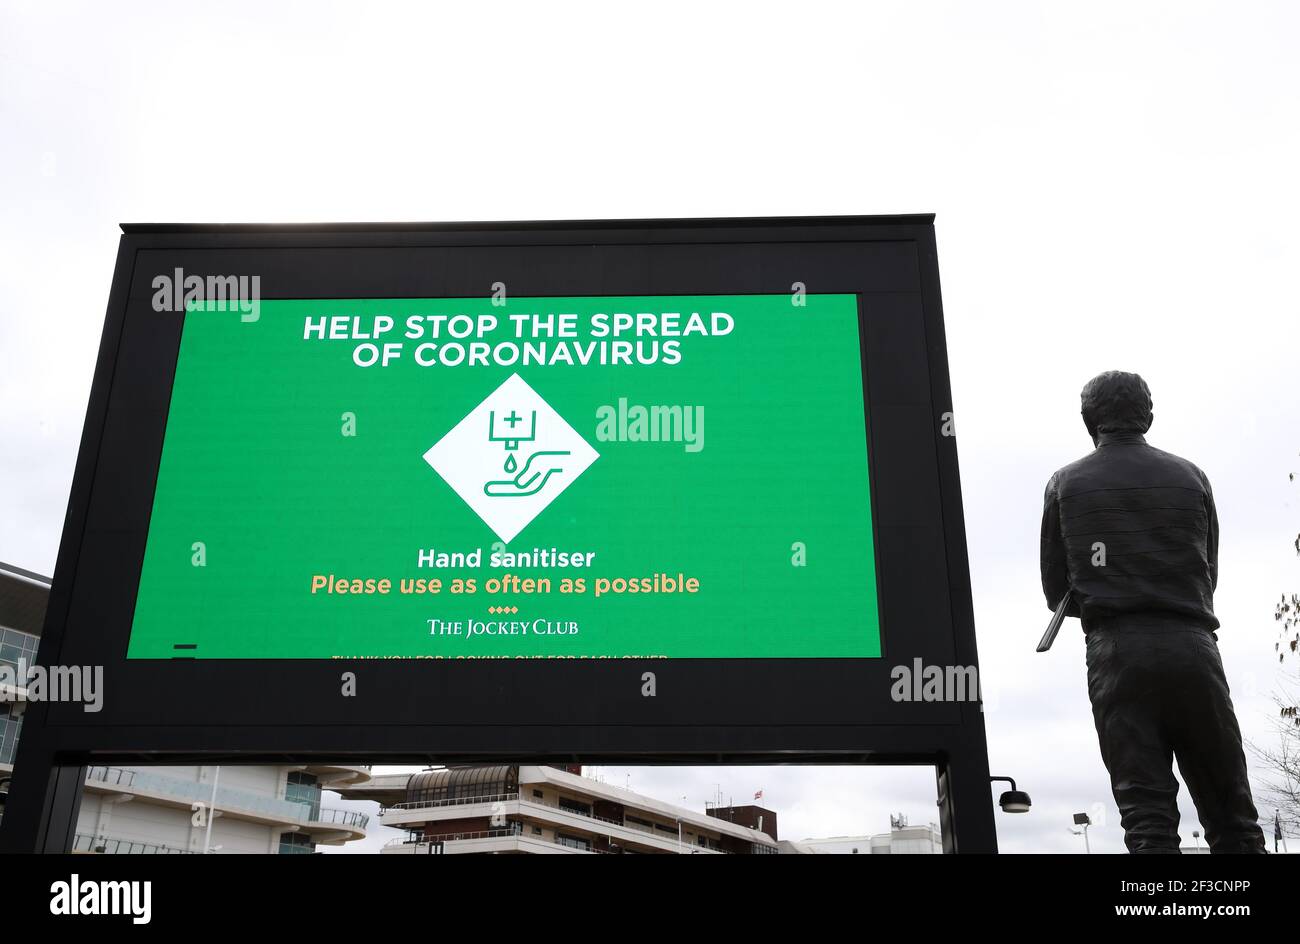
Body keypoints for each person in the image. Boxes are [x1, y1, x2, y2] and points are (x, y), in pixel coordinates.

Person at [1040, 370, 1265, 853]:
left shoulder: (1065, 483)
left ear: (1087, 420)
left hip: (1115, 655)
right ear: (1149, 416)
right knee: (1233, 814)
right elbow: (1210, 572)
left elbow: (1055, 587)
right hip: (1194, 646)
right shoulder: (1191, 477)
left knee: (1147, 819)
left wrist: (1112, 594)